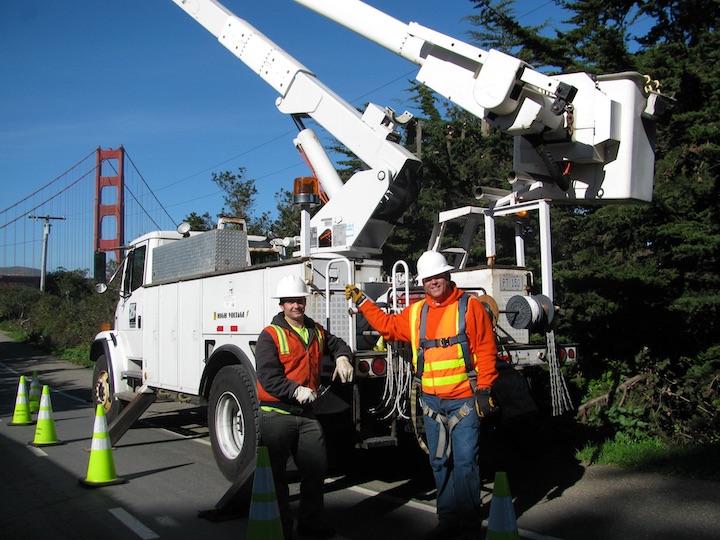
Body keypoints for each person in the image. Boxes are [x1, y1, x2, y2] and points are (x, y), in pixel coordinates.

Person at [345, 251, 498, 540]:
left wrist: (485, 390)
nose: (434, 282)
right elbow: (388, 326)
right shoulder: (416, 313)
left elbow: (486, 350)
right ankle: (448, 518)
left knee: (465, 461)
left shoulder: (470, 307)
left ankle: (468, 522)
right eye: (428, 279)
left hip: (464, 399)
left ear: (448, 276)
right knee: (439, 461)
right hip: (431, 403)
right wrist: (363, 302)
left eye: (438, 276)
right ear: (423, 282)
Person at [256, 274, 354, 539]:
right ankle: (282, 528)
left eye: (299, 300)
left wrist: (343, 357)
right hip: (276, 414)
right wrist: (295, 390)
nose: (296, 306)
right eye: (290, 302)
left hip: (306, 415)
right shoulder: (270, 336)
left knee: (316, 469)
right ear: (281, 305)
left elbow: (338, 343)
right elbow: (267, 376)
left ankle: (310, 524)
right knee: (277, 478)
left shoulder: (315, 330)